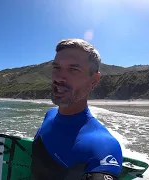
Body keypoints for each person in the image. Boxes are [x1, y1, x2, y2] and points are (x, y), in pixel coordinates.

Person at [31, 38, 123, 180]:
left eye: (73, 69)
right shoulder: (50, 114)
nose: (59, 78)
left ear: (94, 80)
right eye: (56, 67)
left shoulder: (103, 146)